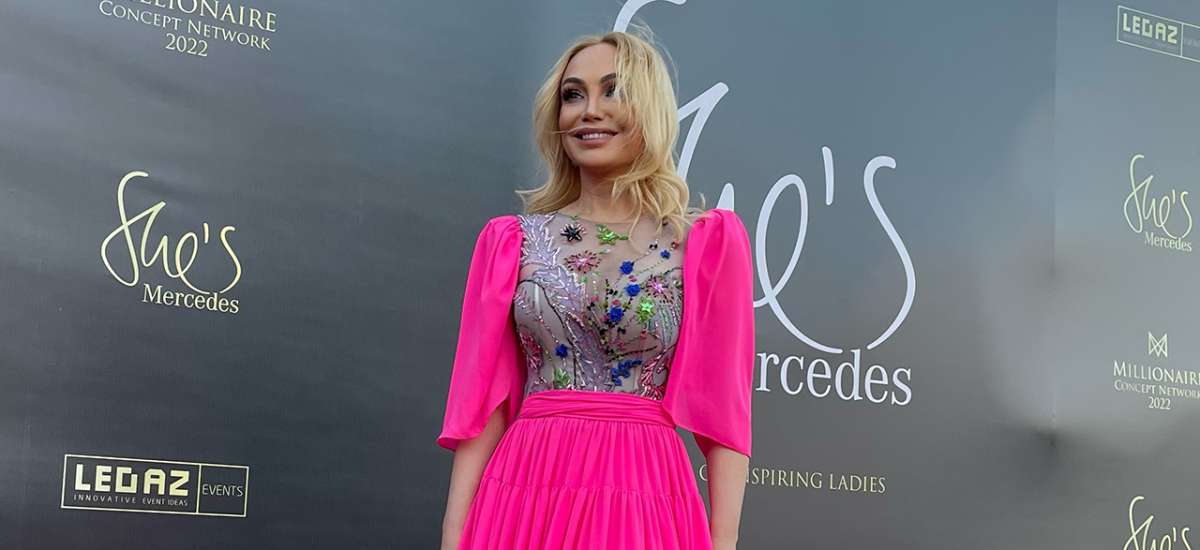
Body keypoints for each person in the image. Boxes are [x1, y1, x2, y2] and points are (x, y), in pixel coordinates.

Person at [437, 29, 754, 550]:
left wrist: (723, 544)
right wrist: (454, 538)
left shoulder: (703, 243)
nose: (589, 110)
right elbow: (483, 409)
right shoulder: (511, 242)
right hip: (525, 493)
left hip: (642, 494)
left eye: (614, 90)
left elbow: (725, 421)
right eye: (573, 95)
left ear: (649, 108)